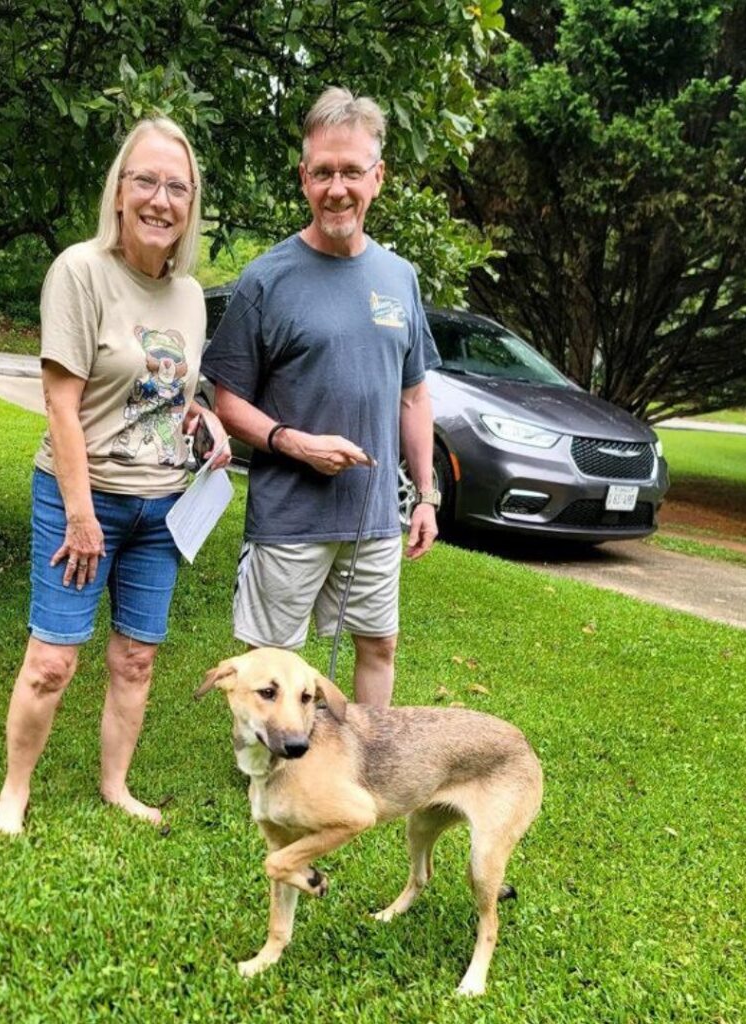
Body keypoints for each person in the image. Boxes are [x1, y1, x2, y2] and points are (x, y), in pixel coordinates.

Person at [0, 117, 229, 835]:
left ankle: (116, 786)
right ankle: (15, 791)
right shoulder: (79, 271)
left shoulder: (188, 294)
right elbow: (61, 404)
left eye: (177, 187)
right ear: (120, 192)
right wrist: (79, 511)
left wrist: (204, 421)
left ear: (191, 204)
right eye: (146, 181)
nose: (161, 199)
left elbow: (171, 394)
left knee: (136, 660)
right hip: (81, 496)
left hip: (160, 510)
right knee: (53, 660)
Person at [200, 87, 440, 708]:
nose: (338, 187)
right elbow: (227, 401)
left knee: (377, 645)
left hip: (374, 515)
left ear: (377, 177)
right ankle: (263, 769)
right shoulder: (266, 280)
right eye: (324, 172)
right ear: (304, 178)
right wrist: (293, 443)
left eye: (352, 171)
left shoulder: (400, 277)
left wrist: (426, 495)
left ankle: (363, 767)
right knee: (273, 663)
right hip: (289, 517)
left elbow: (414, 398)